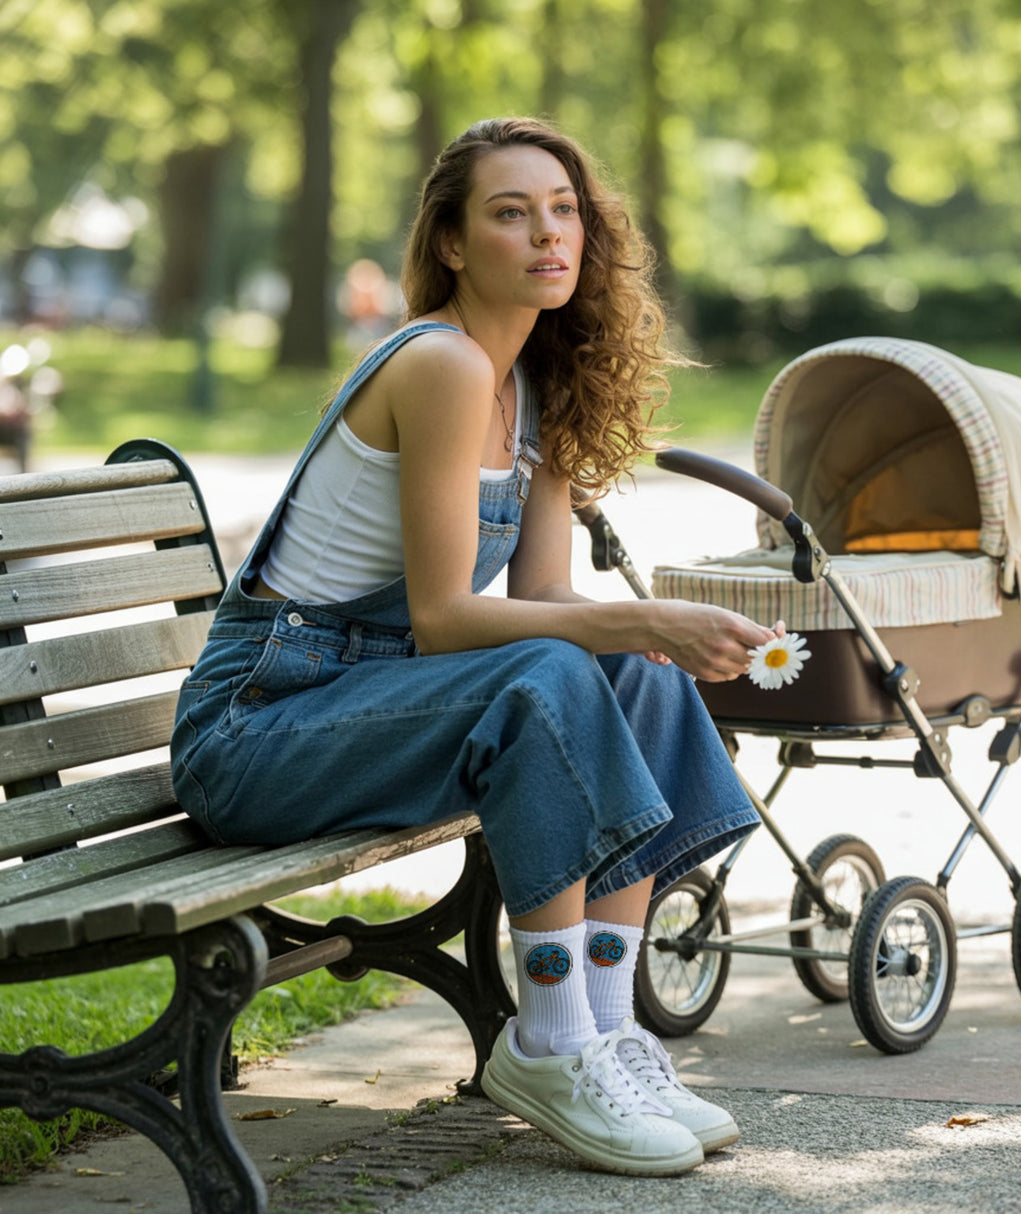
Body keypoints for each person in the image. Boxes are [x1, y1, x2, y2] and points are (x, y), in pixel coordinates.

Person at [170, 116, 779, 1177]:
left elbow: (543, 593)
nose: (549, 235)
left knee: (633, 670)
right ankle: (545, 1038)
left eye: (563, 210)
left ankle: (599, 1022)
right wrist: (639, 613)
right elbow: (449, 615)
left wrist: (653, 632)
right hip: (258, 725)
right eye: (510, 213)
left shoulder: (535, 382)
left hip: (376, 702)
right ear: (451, 243)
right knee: (568, 662)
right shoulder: (441, 364)